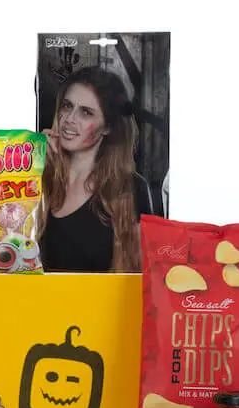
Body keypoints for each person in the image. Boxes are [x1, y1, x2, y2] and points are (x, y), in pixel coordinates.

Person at [39, 66, 153, 272]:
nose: (69, 119)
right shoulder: (39, 176)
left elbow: (142, 274)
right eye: (67, 106)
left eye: (86, 112)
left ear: (107, 127)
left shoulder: (131, 188)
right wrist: (31, 162)